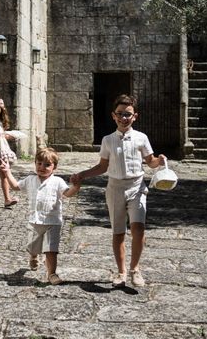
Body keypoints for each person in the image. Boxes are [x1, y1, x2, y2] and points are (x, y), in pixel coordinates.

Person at [71, 94, 166, 288]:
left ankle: (135, 269)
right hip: (115, 188)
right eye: (120, 114)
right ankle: (121, 272)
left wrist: (160, 160)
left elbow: (151, 161)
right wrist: (82, 174)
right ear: (113, 116)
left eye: (128, 114)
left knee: (138, 229)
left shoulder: (141, 138)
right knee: (118, 232)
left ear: (135, 116)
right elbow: (102, 166)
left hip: (136, 186)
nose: (124, 118)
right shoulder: (107, 140)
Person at [1, 147, 80, 285]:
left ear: (54, 167)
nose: (42, 167)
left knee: (51, 250)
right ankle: (33, 256)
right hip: (35, 221)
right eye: (39, 163)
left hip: (53, 221)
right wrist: (7, 171)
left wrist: (76, 186)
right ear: (35, 163)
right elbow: (15, 186)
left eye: (47, 165)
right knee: (33, 246)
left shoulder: (58, 181)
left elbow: (67, 194)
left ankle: (52, 274)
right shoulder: (30, 179)